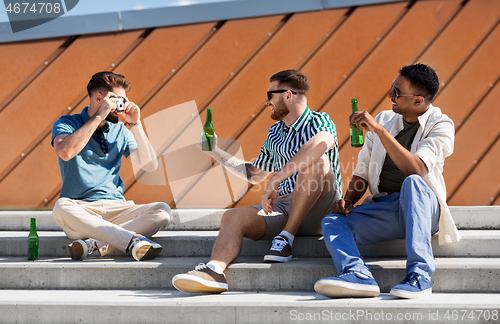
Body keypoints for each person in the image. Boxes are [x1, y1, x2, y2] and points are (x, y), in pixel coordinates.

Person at [172, 70, 342, 293]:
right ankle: (214, 271)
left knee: (316, 162)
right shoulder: (275, 134)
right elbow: (253, 174)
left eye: (270, 94)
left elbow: (319, 146)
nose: (266, 101)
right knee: (231, 217)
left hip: (321, 209)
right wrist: (215, 152)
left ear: (288, 95)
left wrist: (277, 178)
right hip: (283, 207)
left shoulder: (320, 120)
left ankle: (286, 238)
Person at [314, 63, 460, 299]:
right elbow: (362, 170)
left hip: (422, 208)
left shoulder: (441, 125)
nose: (389, 95)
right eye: (393, 88)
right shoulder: (385, 119)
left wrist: (380, 131)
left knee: (413, 183)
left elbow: (418, 169)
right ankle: (357, 274)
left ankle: (419, 276)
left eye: (397, 92)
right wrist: (348, 200)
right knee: (332, 222)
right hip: (386, 208)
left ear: (418, 101)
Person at [51, 71, 172, 261]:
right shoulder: (67, 123)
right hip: (81, 210)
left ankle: (94, 244)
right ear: (99, 98)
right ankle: (131, 240)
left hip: (117, 208)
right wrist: (99, 117)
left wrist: (136, 124)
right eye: (118, 100)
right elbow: (65, 152)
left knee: (163, 211)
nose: (122, 106)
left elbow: (149, 165)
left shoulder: (121, 131)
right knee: (60, 207)